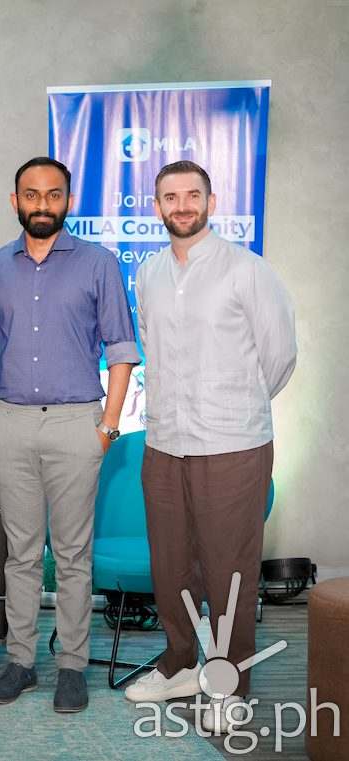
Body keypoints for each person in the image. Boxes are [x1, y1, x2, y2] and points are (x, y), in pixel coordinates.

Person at [124, 161, 296, 733]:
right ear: (157, 207)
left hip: (232, 443)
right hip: (165, 440)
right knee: (170, 564)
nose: (182, 205)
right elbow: (150, 347)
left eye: (192, 195)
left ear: (211, 202)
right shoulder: (148, 274)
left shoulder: (248, 270)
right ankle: (179, 664)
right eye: (170, 197)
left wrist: (234, 403)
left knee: (230, 570)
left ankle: (229, 681)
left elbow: (279, 356)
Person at [0, 157, 139, 713]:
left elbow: (121, 348)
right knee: (21, 554)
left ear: (68, 200)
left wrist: (108, 426)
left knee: (72, 555)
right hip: (10, 422)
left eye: (53, 194)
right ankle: (20, 662)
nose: (41, 204)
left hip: (76, 424)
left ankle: (72, 666)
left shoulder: (99, 263)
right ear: (15, 201)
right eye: (31, 194)